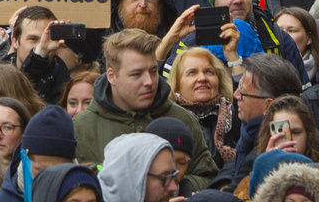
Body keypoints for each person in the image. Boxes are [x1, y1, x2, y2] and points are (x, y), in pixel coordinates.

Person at [72, 29, 218, 188]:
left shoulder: (181, 120)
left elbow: (210, 179)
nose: (149, 81)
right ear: (112, 75)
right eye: (136, 74)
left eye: (153, 71)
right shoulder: (80, 128)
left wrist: (176, 187)